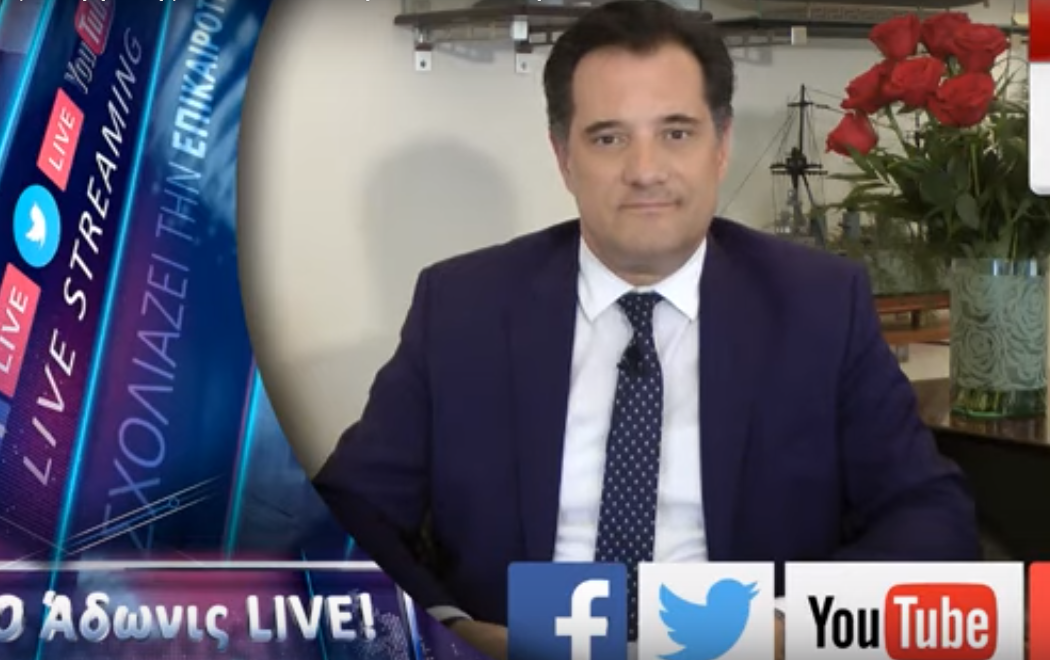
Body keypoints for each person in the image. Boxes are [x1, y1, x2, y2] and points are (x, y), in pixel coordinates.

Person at [312, 1, 981, 658]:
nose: (645, 170)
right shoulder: (463, 308)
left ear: (721, 147)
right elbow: (346, 515)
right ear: (563, 156)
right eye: (608, 138)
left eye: (677, 133)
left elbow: (931, 519)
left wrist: (792, 630)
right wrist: (446, 631)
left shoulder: (819, 306)